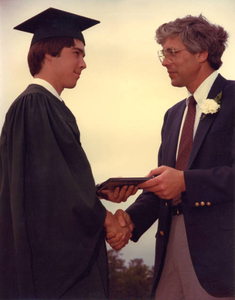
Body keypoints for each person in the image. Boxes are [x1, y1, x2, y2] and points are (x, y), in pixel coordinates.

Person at [0, 7, 136, 299]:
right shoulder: (35, 105)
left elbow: (48, 179)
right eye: (77, 53)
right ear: (49, 54)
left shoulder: (47, 105)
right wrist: (106, 219)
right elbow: (53, 185)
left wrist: (96, 193)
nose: (84, 63)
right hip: (49, 266)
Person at [107, 15, 235, 299]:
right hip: (168, 249)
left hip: (221, 257)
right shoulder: (173, 115)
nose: (164, 62)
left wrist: (186, 181)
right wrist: (128, 222)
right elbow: (164, 185)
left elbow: (180, 180)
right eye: (163, 54)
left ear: (202, 53)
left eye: (172, 53)